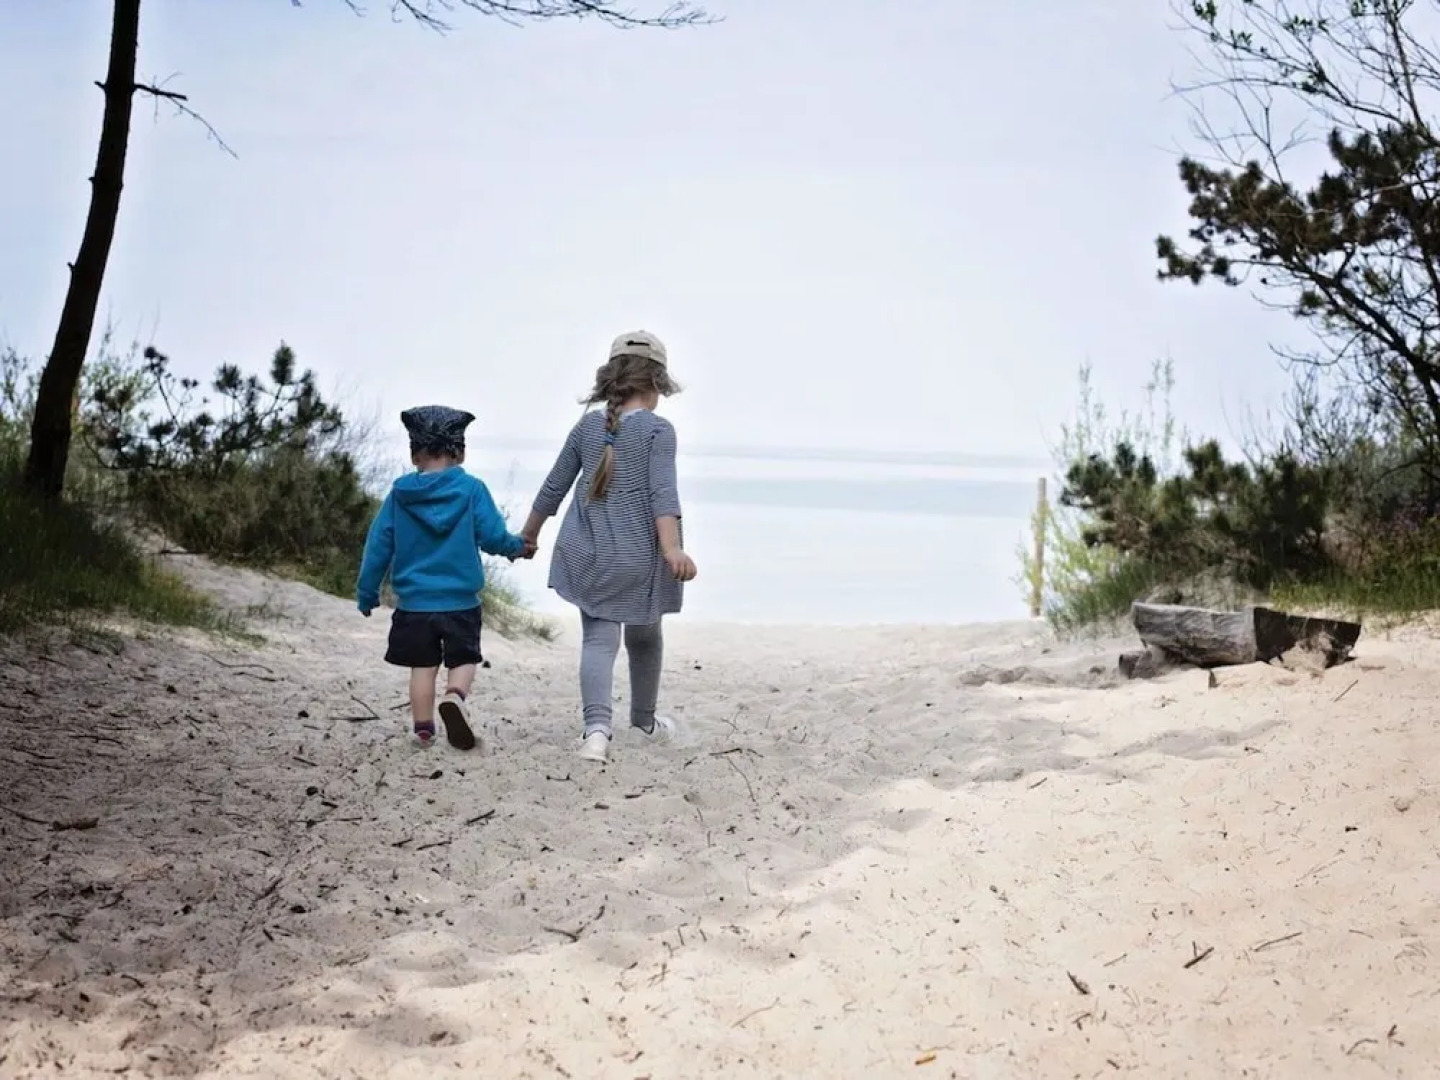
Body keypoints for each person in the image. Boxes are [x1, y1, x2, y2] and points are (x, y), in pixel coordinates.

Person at [521, 330, 698, 763]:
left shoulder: (586, 426)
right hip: (641, 558)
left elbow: (553, 487)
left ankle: (596, 732)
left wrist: (529, 535)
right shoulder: (659, 431)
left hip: (590, 556)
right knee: (645, 638)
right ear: (656, 383)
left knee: (599, 642)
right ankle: (644, 722)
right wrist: (672, 549)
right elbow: (663, 496)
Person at [356, 405, 530, 751]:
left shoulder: (399, 496)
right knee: (463, 658)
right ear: (460, 452)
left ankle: (423, 731)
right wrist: (516, 547)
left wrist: (366, 591)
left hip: (414, 604)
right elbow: (492, 535)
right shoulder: (471, 489)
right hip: (460, 601)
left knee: (422, 667)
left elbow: (378, 545)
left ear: (413, 453)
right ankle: (454, 696)